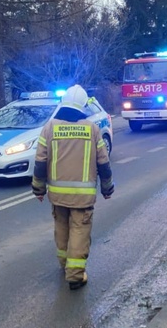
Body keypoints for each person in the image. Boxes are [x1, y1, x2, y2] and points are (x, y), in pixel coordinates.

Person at [32, 84, 115, 290]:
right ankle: (76, 275)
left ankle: (65, 264)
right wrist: (107, 188)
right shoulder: (92, 129)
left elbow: (40, 162)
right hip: (83, 197)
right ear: (83, 106)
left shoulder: (49, 128)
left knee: (61, 229)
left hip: (58, 195)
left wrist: (38, 189)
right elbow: (103, 163)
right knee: (79, 231)